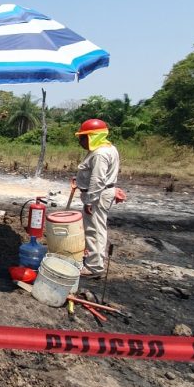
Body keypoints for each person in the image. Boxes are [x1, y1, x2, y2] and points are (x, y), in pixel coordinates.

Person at [74, 119, 120, 278]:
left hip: (98, 196)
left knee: (95, 230)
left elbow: (98, 180)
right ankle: (94, 259)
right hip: (102, 193)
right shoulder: (109, 148)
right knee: (96, 228)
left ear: (92, 137)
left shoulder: (100, 154)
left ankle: (94, 267)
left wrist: (90, 201)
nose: (80, 142)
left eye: (82, 138)